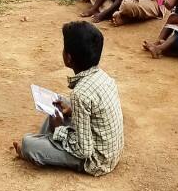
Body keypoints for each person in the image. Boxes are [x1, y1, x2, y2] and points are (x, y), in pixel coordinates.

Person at [14, 21, 124, 176]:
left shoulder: (80, 94)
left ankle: (39, 149)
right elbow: (96, 111)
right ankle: (47, 143)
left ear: (69, 58)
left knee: (28, 143)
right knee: (57, 107)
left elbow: (83, 151)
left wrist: (58, 129)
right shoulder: (104, 77)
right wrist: (71, 110)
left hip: (96, 161)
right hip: (110, 151)